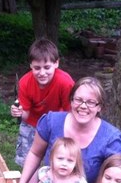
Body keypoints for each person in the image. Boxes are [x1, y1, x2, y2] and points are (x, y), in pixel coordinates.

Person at [7, 76, 121, 183]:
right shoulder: (51, 122)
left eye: (91, 102)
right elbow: (35, 153)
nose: (83, 106)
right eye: (78, 100)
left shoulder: (111, 138)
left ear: (100, 107)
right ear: (71, 101)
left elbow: (117, 174)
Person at [10, 38, 74, 169]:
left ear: (56, 63)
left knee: (57, 160)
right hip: (33, 122)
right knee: (28, 159)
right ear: (31, 66)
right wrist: (19, 113)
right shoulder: (24, 82)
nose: (42, 73)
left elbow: (70, 114)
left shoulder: (65, 82)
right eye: (37, 68)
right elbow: (26, 116)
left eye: (47, 67)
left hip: (58, 122)